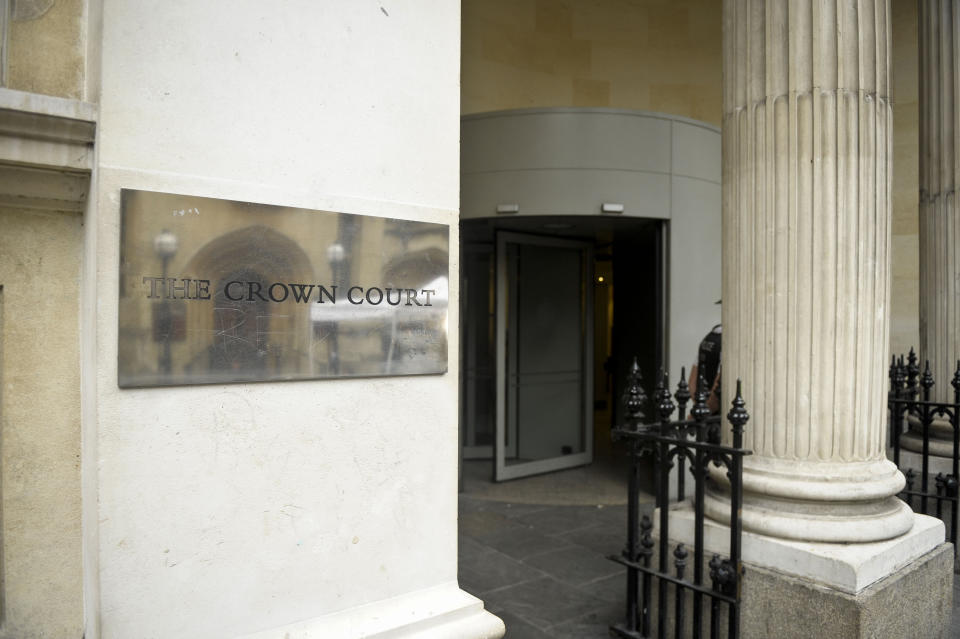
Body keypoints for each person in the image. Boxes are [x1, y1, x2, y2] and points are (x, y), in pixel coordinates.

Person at [689, 322, 721, 414]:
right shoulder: (726, 341)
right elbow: (719, 385)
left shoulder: (709, 336)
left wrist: (699, 409)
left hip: (703, 410)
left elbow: (692, 382)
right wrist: (706, 411)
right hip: (718, 415)